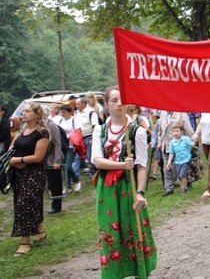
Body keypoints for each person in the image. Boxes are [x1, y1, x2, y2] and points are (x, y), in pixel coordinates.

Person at [91, 85, 157, 278]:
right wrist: (120, 164)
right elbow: (97, 160)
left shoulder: (137, 131)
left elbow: (142, 165)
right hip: (107, 189)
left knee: (134, 229)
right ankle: (115, 272)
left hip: (130, 186)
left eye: (122, 99)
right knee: (110, 231)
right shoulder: (99, 130)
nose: (119, 104)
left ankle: (140, 271)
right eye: (114, 100)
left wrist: (140, 193)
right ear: (106, 104)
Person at [9, 102, 50, 257]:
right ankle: (40, 231)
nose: (23, 114)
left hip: (35, 173)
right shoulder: (22, 130)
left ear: (36, 114)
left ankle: (24, 242)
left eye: (27, 111)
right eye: (23, 111)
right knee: (28, 202)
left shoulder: (42, 133)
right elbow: (12, 148)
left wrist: (19, 160)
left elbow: (38, 157)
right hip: (19, 173)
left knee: (24, 204)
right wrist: (13, 159)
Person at [158, 111, 193, 196]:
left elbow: (188, 129)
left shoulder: (181, 113)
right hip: (167, 145)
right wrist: (159, 142)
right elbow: (160, 131)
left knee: (181, 168)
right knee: (166, 168)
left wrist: (190, 142)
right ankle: (169, 188)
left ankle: (185, 186)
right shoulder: (162, 114)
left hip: (181, 146)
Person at [42, 106, 64, 214]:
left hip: (52, 160)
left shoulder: (51, 125)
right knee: (50, 183)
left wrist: (57, 160)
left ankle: (56, 206)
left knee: (55, 184)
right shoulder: (42, 125)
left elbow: (57, 144)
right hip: (45, 160)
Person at [73, 97, 98, 179]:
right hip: (79, 138)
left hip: (88, 136)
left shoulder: (91, 112)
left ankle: (93, 176)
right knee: (77, 157)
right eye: (76, 104)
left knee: (90, 156)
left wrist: (93, 138)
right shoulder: (76, 113)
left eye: (78, 104)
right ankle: (75, 176)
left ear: (84, 104)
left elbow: (95, 126)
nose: (76, 106)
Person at [59, 104, 82, 193]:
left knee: (68, 166)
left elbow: (79, 133)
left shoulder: (74, 120)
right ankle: (67, 186)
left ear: (69, 112)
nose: (62, 114)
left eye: (64, 112)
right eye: (61, 112)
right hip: (63, 146)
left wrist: (70, 137)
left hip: (72, 146)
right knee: (64, 166)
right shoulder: (61, 121)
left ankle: (76, 180)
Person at [167, 123, 194, 194]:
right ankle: (182, 188)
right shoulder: (172, 142)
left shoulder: (186, 139)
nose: (175, 133)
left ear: (182, 131)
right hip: (177, 161)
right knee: (179, 176)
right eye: (174, 131)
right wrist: (169, 161)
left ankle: (185, 188)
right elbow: (171, 152)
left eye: (177, 131)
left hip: (186, 160)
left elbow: (192, 145)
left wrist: (194, 142)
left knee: (182, 174)